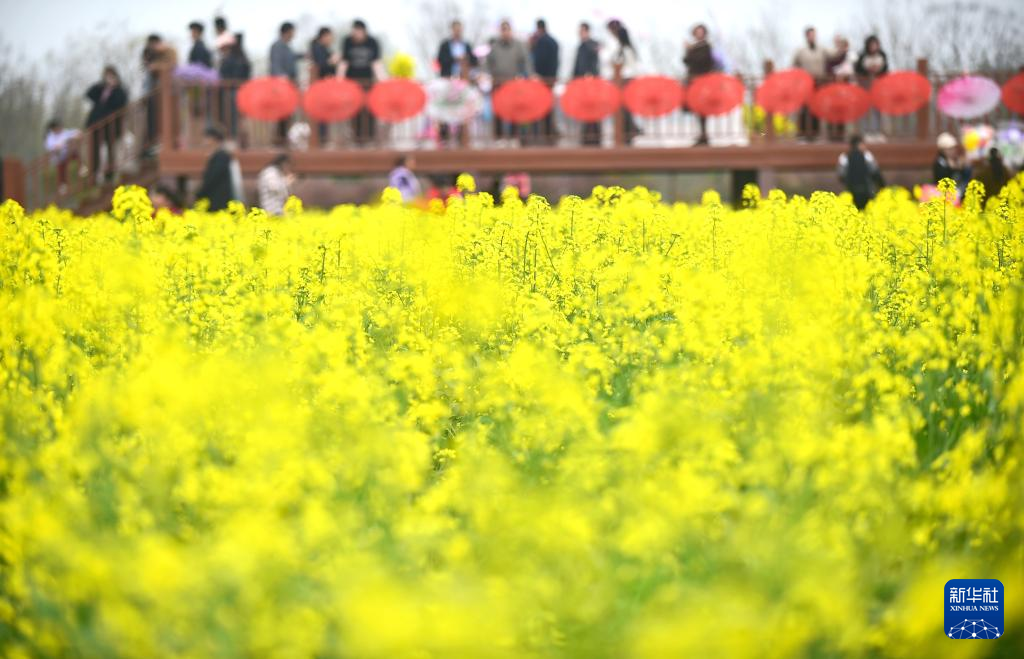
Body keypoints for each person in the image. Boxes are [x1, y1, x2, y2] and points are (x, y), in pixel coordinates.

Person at [486, 20, 532, 145]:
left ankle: (513, 137)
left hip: (513, 84)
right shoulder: (495, 46)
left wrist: (530, 75)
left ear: (511, 31)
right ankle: (499, 138)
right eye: (503, 30)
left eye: (507, 29)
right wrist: (485, 74)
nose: (505, 32)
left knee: (513, 110)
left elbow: (526, 61)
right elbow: (487, 63)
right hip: (497, 83)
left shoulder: (518, 45)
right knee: (498, 110)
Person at [437, 20, 479, 146]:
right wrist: (454, 59)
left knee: (462, 108)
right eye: (455, 29)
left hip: (462, 82)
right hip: (448, 81)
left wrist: (465, 59)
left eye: (459, 29)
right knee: (445, 108)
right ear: (452, 30)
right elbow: (440, 60)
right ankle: (444, 137)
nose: (457, 31)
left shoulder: (466, 45)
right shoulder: (445, 45)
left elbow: (474, 61)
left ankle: (461, 136)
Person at [341, 20, 383, 145]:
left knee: (369, 108)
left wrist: (383, 80)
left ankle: (370, 137)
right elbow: (344, 62)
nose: (356, 34)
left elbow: (376, 63)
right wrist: (339, 80)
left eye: (359, 31)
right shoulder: (347, 41)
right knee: (355, 110)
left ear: (364, 31)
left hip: (368, 82)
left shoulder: (372, 42)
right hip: (352, 84)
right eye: (354, 31)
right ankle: (357, 137)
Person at [85, 66, 128, 184]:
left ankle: (109, 174)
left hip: (111, 125)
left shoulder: (120, 90)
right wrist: (101, 85)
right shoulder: (101, 89)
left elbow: (121, 103)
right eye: (107, 76)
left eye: (111, 76)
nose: (109, 78)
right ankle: (93, 174)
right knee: (94, 150)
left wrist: (115, 87)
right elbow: (89, 94)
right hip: (96, 124)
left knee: (110, 149)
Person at [142, 35, 177, 154]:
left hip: (166, 93)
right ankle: (152, 144)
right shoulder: (152, 54)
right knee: (153, 121)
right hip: (154, 94)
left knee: (165, 120)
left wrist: (156, 66)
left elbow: (172, 65)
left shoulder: (169, 52)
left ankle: (161, 142)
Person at [607, 19, 640, 144]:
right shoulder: (620, 49)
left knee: (624, 110)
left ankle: (629, 133)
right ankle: (627, 133)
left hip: (625, 82)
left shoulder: (626, 50)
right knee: (622, 110)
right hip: (621, 81)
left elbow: (630, 68)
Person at [683, 24, 715, 146]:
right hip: (693, 80)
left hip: (703, 81)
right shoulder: (693, 47)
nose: (699, 34)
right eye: (697, 32)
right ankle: (702, 134)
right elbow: (686, 61)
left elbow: (702, 61)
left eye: (701, 32)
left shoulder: (706, 46)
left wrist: (690, 50)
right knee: (696, 108)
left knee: (702, 108)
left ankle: (704, 135)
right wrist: (688, 50)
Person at [793, 27, 827, 141]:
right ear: (806, 36)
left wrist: (842, 48)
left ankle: (815, 134)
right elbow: (794, 64)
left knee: (816, 108)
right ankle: (802, 134)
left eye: (814, 34)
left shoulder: (821, 49)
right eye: (810, 35)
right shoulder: (801, 51)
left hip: (818, 83)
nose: (812, 37)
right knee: (804, 109)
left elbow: (833, 55)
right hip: (805, 84)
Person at [270, 22, 300, 145]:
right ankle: (279, 140)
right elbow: (276, 65)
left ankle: (284, 138)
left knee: (288, 113)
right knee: (281, 113)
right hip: (281, 86)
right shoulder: (277, 46)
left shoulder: (287, 47)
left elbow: (293, 57)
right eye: (292, 32)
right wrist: (282, 78)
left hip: (289, 85)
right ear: (287, 32)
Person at [530, 19, 560, 145]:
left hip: (541, 80)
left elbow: (539, 61)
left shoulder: (541, 42)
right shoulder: (553, 41)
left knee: (539, 107)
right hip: (550, 79)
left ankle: (539, 133)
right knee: (548, 106)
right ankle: (549, 132)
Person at [855, 36, 889, 141]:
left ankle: (876, 132)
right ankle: (865, 132)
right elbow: (858, 69)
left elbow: (885, 70)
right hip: (865, 86)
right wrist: (868, 71)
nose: (873, 47)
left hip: (878, 87)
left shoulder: (882, 55)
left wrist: (877, 70)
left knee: (877, 109)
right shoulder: (862, 56)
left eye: (875, 44)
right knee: (865, 109)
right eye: (871, 44)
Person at [573, 22, 602, 146]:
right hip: (581, 83)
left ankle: (596, 136)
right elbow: (577, 65)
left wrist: (590, 75)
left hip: (592, 82)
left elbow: (595, 63)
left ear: (587, 31)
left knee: (594, 110)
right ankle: (586, 136)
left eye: (582, 31)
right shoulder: (580, 46)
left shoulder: (592, 44)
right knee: (584, 110)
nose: (580, 33)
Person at [218, 33, 251, 139]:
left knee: (231, 117)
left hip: (230, 92)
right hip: (243, 92)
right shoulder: (244, 58)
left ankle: (233, 137)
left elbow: (222, 75)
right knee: (241, 118)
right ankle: (240, 137)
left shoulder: (229, 59)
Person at [837, 134, 884, 209]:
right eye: (863, 144)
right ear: (859, 145)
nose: (864, 146)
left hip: (851, 190)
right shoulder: (867, 155)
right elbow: (875, 171)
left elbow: (841, 175)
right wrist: (881, 187)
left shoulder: (844, 156)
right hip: (866, 190)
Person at [195, 127, 236, 211]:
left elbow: (212, 178)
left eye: (207, 138)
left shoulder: (221, 156)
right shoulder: (217, 156)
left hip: (218, 202)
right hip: (213, 202)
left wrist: (199, 193)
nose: (204, 142)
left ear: (214, 139)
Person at [45, 119, 81, 195]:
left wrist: (76, 135)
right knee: (61, 167)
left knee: (75, 153)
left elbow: (76, 133)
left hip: (67, 154)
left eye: (59, 127)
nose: (59, 129)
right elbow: (51, 148)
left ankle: (81, 168)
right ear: (53, 129)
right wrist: (59, 147)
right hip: (58, 158)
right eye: (57, 128)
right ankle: (62, 186)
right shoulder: (50, 138)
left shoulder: (65, 132)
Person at [933, 132, 971, 197]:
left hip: (958, 191)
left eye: (953, 148)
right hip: (944, 193)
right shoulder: (940, 162)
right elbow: (941, 180)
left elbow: (966, 177)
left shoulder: (956, 159)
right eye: (950, 149)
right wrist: (951, 169)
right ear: (942, 150)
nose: (953, 150)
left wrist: (963, 167)